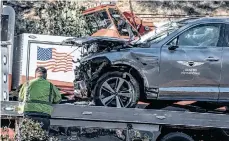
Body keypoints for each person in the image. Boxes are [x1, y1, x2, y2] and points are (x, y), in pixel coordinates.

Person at [18, 66, 62, 131]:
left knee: (28, 135)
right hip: (44, 115)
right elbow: (58, 99)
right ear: (46, 75)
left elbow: (20, 98)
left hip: (29, 114)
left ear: (35, 74)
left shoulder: (27, 83)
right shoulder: (50, 85)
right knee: (42, 135)